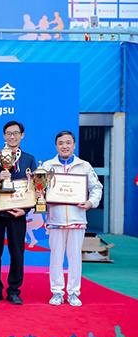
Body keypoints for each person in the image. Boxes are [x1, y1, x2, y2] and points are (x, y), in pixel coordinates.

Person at [43, 131, 102, 307]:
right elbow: (40, 189)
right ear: (56, 146)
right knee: (56, 258)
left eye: (68, 142)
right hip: (55, 220)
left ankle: (74, 292)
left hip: (77, 219)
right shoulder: (47, 166)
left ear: (74, 145)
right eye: (61, 143)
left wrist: (90, 202)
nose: (65, 146)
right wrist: (41, 196)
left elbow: (96, 187)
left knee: (75, 257)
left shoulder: (84, 166)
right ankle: (57, 292)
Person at [0, 121, 36, 305]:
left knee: (17, 252)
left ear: (22, 135)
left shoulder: (29, 159)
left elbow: (34, 188)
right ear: (3, 135)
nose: (12, 136)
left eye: (15, 133)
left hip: (18, 214)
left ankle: (14, 290)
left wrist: (25, 209)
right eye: (8, 133)